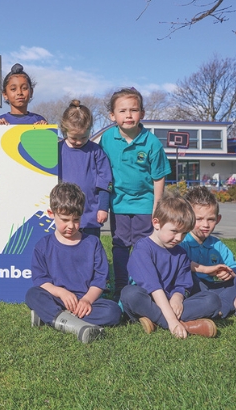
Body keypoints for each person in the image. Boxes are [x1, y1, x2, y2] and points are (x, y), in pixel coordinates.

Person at [98, 88, 171, 301]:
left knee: (142, 248)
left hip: (145, 205)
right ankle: (120, 288)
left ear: (142, 113)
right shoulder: (107, 139)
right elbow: (101, 170)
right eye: (122, 111)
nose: (128, 115)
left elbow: (159, 177)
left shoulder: (152, 143)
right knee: (120, 246)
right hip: (118, 204)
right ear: (112, 115)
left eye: (134, 110)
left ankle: (143, 288)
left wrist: (157, 206)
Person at [25, 183, 121, 344]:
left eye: (76, 220)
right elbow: (41, 280)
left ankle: (52, 317)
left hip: (85, 302)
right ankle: (75, 325)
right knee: (33, 294)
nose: (71, 226)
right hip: (57, 299)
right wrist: (61, 293)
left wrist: (87, 300)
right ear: (51, 214)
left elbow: (100, 280)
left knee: (113, 311)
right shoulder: (43, 246)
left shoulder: (93, 243)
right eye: (65, 220)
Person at [120, 193, 221, 338]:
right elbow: (154, 288)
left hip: (170, 302)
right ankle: (182, 325)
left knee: (212, 300)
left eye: (184, 233)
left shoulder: (180, 253)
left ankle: (154, 321)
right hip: (147, 301)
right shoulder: (143, 249)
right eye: (174, 231)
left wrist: (177, 298)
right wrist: (172, 321)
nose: (179, 238)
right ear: (156, 223)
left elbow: (183, 284)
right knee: (130, 294)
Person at [180, 186, 236, 318]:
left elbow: (235, 266)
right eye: (199, 219)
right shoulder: (182, 241)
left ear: (218, 219)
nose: (205, 225)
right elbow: (177, 264)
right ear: (187, 217)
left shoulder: (217, 245)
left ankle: (220, 310)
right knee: (189, 277)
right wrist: (205, 270)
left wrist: (230, 272)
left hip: (212, 288)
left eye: (211, 219)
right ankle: (210, 307)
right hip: (190, 288)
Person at [58, 100, 112, 237]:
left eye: (84, 137)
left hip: (90, 216)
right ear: (64, 131)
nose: (79, 142)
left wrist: (103, 208)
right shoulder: (56, 150)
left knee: (90, 248)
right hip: (63, 215)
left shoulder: (96, 151)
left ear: (90, 130)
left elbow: (105, 181)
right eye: (74, 138)